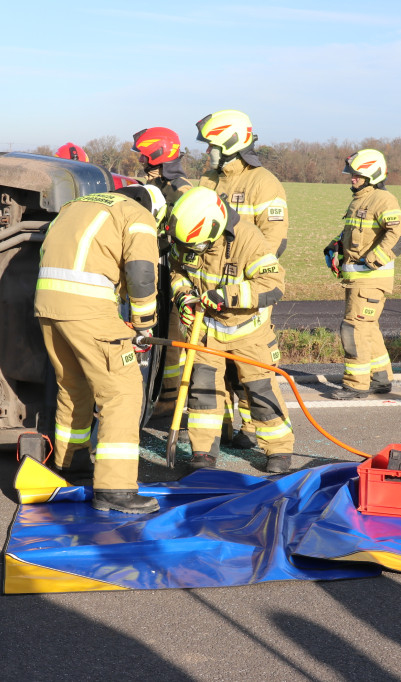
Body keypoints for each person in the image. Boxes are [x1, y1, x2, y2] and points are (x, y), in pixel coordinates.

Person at [34, 184, 167, 514]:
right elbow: (140, 270)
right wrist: (143, 323)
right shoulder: (138, 216)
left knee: (73, 385)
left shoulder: (79, 205)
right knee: (121, 391)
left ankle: (70, 463)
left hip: (47, 303)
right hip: (89, 308)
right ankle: (116, 488)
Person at [166, 186, 293, 474]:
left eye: (196, 247)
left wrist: (228, 296)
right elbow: (177, 272)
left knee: (260, 391)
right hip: (205, 330)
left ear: (215, 229)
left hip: (248, 332)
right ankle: (203, 452)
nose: (189, 251)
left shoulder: (248, 239)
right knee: (203, 391)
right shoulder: (188, 238)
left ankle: (280, 450)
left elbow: (272, 285)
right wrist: (183, 295)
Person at [195, 109, 289, 449]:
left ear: (229, 143)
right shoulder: (208, 180)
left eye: (211, 145)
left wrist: (238, 288)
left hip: (246, 293)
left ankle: (254, 431)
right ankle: (220, 431)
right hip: (210, 292)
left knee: (252, 373)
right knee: (213, 374)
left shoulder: (263, 183)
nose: (207, 152)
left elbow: (273, 243)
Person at [324, 149, 401, 399]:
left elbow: (400, 235)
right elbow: (355, 234)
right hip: (358, 280)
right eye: (351, 174)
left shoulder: (383, 199)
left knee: (354, 329)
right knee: (368, 328)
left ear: (371, 175)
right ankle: (381, 378)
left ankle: (356, 384)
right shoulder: (361, 199)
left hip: (370, 280)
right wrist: (335, 247)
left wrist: (372, 261)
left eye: (356, 175)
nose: (351, 179)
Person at [131, 127, 193, 418]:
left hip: (172, 271)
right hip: (154, 269)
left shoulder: (180, 190)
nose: (141, 162)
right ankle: (157, 397)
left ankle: (170, 404)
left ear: (157, 155)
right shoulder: (154, 185)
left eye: (144, 156)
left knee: (170, 340)